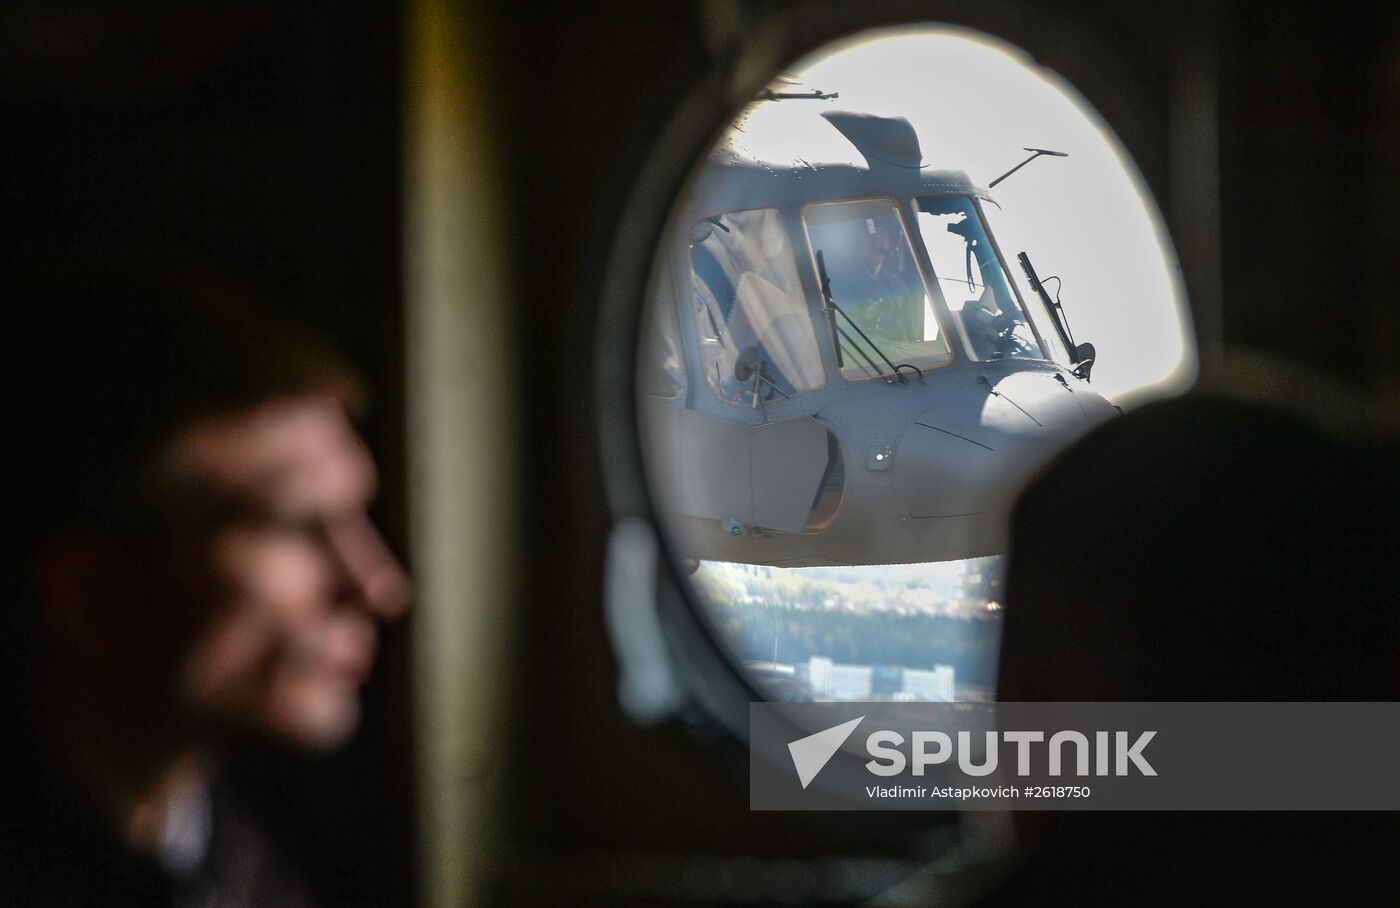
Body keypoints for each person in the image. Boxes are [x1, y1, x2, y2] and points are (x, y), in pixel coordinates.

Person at [2, 266, 411, 905]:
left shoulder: (231, 854)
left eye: (361, 516)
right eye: (299, 527)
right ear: (86, 594)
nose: (379, 588)